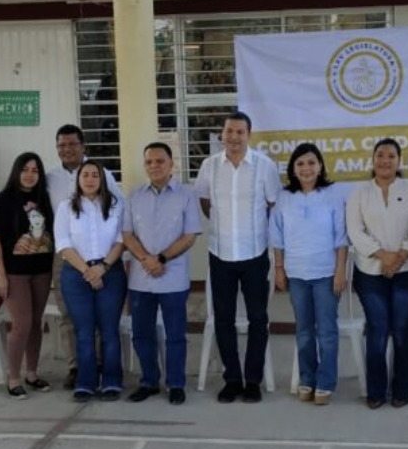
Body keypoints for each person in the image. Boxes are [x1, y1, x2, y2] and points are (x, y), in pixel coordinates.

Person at [194, 110, 281, 404]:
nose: (233, 137)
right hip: (220, 254)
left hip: (255, 254)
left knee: (258, 318)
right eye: (229, 131)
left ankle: (253, 380)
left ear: (249, 135)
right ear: (222, 134)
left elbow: (272, 203)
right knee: (223, 319)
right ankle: (232, 378)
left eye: (239, 132)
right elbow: (205, 202)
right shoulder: (209, 166)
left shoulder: (264, 166)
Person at [347, 138, 408, 410]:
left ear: (399, 161)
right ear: (372, 160)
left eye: (391, 156)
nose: (385, 160)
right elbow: (355, 231)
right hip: (370, 272)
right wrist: (383, 256)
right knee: (378, 329)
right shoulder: (360, 194)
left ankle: (402, 388)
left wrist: (401, 256)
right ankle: (377, 390)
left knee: (402, 330)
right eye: (380, 155)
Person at [122, 142, 201, 405]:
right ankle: (149, 381)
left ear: (171, 164)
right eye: (149, 162)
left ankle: (176, 383)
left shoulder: (186, 195)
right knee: (141, 333)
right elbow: (127, 235)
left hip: (173, 277)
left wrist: (162, 258)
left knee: (175, 334)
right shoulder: (133, 195)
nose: (154, 166)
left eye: (160, 161)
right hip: (141, 278)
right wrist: (146, 259)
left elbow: (190, 236)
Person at [271, 143, 348, 405]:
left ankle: (325, 382)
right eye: (300, 163)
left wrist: (340, 271)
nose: (306, 168)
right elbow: (277, 237)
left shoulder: (332, 194)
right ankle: (307, 379)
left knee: (326, 331)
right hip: (296, 274)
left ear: (320, 166)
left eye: (311, 162)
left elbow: (341, 238)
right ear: (293, 168)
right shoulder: (284, 197)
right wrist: (279, 269)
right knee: (304, 330)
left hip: (326, 274)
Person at [46, 123, 121, 390]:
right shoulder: (51, 178)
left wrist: (102, 266)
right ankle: (77, 367)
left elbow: (119, 220)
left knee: (105, 319)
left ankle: (103, 367)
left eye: (72, 144)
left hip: (105, 259)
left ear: (83, 146)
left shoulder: (104, 173)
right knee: (71, 315)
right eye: (61, 145)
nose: (67, 149)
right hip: (67, 257)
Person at [54, 159, 127, 402]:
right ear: (78, 179)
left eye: (95, 175)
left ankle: (112, 381)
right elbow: (63, 244)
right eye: (85, 175)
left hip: (110, 272)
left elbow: (121, 240)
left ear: (102, 179)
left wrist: (102, 268)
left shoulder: (116, 205)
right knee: (83, 331)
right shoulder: (66, 207)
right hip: (76, 274)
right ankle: (85, 382)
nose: (90, 179)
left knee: (108, 330)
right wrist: (88, 271)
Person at [0, 153, 56, 400]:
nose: (29, 174)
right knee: (22, 324)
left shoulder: (43, 199)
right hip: (14, 273)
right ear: (17, 171)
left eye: (35, 170)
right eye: (25, 169)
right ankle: (13, 376)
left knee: (37, 323)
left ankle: (32, 373)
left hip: (42, 270)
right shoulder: (3, 200)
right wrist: (0, 274)